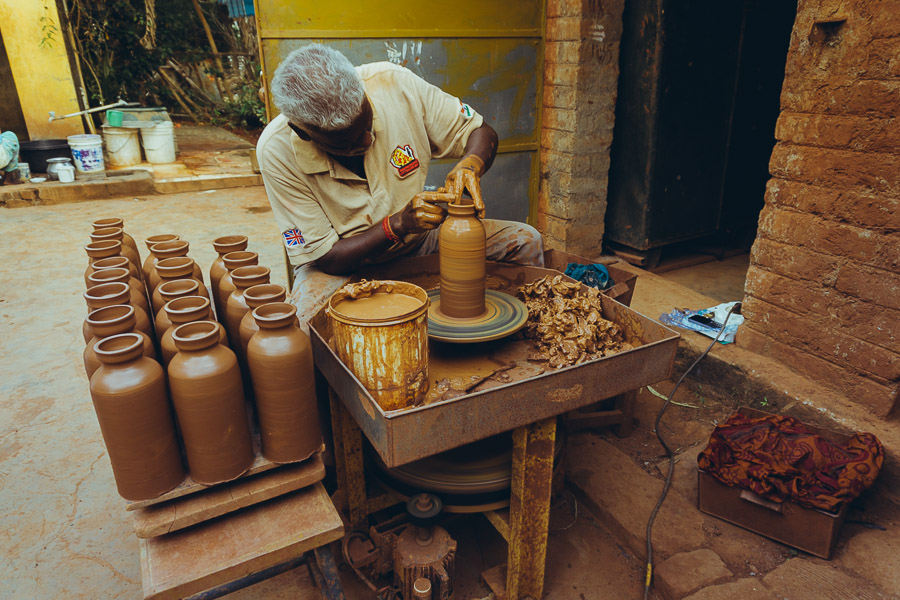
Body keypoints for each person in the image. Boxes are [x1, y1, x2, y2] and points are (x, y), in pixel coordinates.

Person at [256, 44, 544, 323]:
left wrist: (473, 163)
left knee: (525, 241)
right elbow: (328, 258)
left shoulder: (393, 84)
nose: (367, 139)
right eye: (350, 142)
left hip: (420, 240)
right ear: (304, 133)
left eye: (366, 124)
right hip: (344, 264)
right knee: (305, 324)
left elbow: (479, 130)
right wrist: (397, 225)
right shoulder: (276, 150)